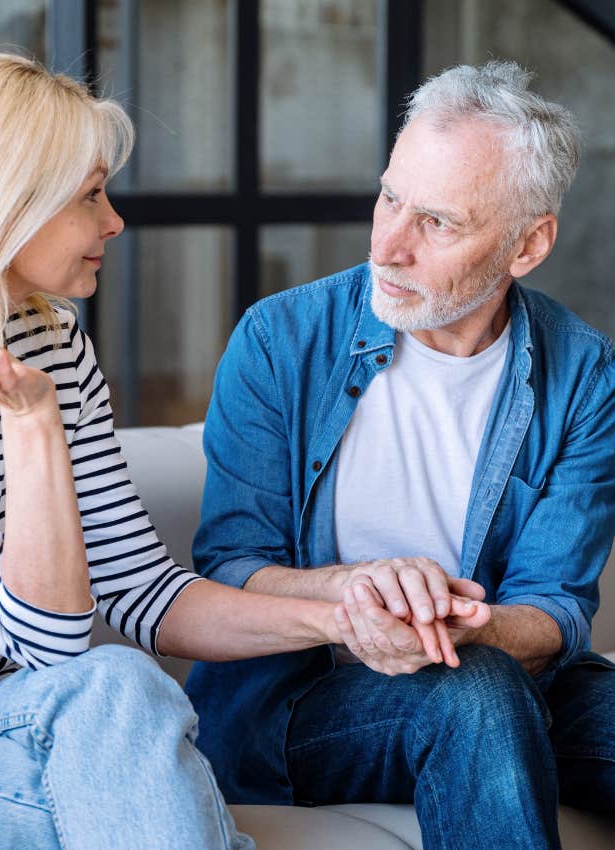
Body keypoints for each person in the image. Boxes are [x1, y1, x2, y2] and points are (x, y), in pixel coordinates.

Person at [0, 52, 373, 849]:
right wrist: (32, 425)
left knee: (119, 681)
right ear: (3, 206)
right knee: (70, 804)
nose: (114, 221)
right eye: (90, 195)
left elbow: (145, 595)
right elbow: (45, 636)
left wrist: (347, 620)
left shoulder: (50, 347)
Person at [185, 60, 615, 850]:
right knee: (474, 694)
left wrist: (447, 627)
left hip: (501, 675)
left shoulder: (584, 373)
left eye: (437, 223)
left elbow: (554, 609)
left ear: (528, 244)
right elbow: (229, 567)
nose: (387, 245)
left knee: (486, 685)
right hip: (299, 703)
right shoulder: (281, 340)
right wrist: (355, 597)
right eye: (390, 197)